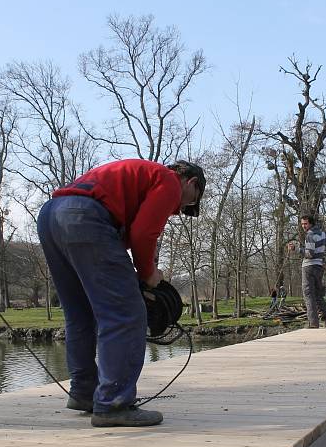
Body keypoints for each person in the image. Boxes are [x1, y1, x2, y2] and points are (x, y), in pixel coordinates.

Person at [37, 158, 205, 427]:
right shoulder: (169, 181)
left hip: (50, 216)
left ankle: (84, 392)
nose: (179, 210)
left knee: (80, 313)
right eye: (189, 202)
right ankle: (114, 403)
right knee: (126, 314)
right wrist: (148, 273)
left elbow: (126, 235)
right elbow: (143, 234)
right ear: (191, 182)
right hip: (85, 217)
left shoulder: (138, 176)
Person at [288, 215, 326, 328]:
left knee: (309, 295)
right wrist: (324, 257)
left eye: (306, 224)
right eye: (302, 223)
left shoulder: (310, 235)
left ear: (311, 223)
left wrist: (296, 249)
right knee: (318, 295)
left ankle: (313, 324)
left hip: (309, 267)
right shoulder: (322, 233)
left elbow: (309, 254)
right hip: (319, 267)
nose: (303, 226)